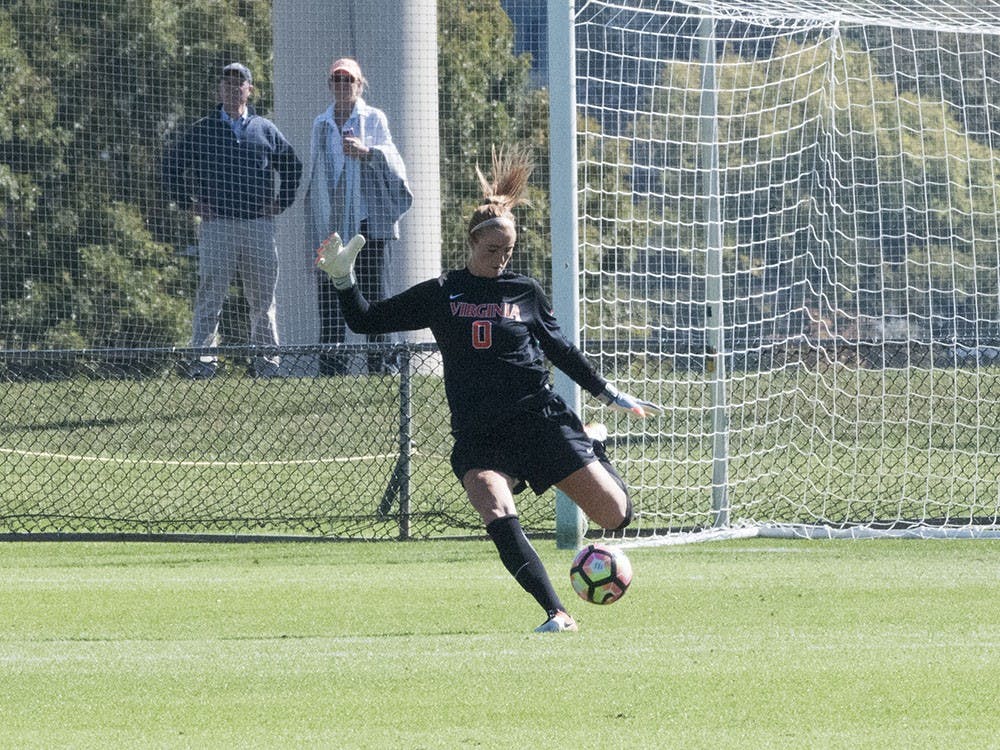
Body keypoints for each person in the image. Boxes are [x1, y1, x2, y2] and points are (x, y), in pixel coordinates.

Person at [316, 147, 661, 633]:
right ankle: (556, 612)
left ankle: (592, 442)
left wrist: (609, 393)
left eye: (509, 251)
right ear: (472, 244)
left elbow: (560, 349)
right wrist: (342, 279)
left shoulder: (525, 293)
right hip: (481, 436)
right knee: (494, 506)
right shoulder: (442, 292)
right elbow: (366, 321)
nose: (501, 259)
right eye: (492, 250)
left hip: (539, 419)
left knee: (615, 517)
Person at [161, 62, 303, 378]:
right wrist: (189, 203)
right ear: (218, 89)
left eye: (238, 83)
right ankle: (202, 364)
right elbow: (170, 167)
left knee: (263, 301)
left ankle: (268, 365)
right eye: (226, 82)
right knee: (210, 297)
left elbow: (293, 165)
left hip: (258, 226)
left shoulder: (265, 129)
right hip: (218, 225)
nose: (232, 87)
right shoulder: (202, 129)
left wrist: (281, 202)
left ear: (249, 90)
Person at [305, 56, 412, 375]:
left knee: (374, 294)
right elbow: (316, 174)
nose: (342, 85)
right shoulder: (320, 123)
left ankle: (381, 366)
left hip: (368, 223)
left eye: (348, 80)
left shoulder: (373, 118)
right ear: (329, 85)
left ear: (360, 84)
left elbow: (393, 160)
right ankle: (332, 368)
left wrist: (366, 153)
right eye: (336, 79)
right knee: (330, 295)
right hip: (332, 225)